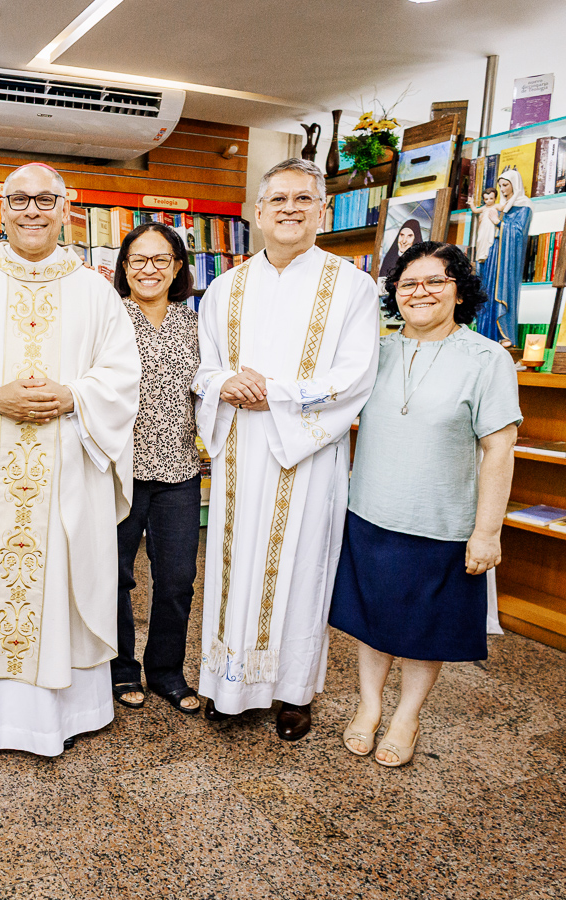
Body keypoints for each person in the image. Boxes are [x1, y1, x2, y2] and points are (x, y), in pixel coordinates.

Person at [0, 162, 141, 756]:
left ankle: (64, 715)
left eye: (46, 200)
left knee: (64, 577)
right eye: (19, 200)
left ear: (65, 209)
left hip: (68, 467)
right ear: (2, 209)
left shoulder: (95, 291)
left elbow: (123, 375)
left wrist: (75, 396)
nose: (32, 211)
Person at [193, 157, 378, 741]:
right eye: (278, 199)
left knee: (300, 568)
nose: (290, 209)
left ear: (323, 210)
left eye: (303, 199)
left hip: (306, 454)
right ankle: (229, 685)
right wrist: (224, 384)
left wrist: (273, 393)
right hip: (239, 451)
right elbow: (203, 367)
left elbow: (355, 376)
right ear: (258, 211)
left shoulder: (352, 286)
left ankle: (294, 692)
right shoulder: (225, 287)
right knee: (234, 563)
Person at [330, 241, 521, 766]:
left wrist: (487, 532)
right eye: (408, 283)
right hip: (370, 513)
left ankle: (406, 717)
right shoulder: (376, 352)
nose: (420, 292)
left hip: (440, 523)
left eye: (436, 281)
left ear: (459, 291)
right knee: (372, 620)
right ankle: (368, 706)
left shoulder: (487, 359)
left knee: (423, 629)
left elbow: (499, 450)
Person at [109, 223, 202, 716]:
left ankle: (166, 670)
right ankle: (120, 668)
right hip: (118, 471)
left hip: (179, 471)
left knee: (177, 579)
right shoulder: (108, 318)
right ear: (124, 267)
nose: (149, 269)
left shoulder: (197, 324)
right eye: (138, 260)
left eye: (160, 259)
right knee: (114, 577)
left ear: (177, 266)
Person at [476, 168, 533, 346]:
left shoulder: (524, 205)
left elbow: (519, 233)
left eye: (506, 185)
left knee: (502, 292)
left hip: (506, 258)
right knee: (486, 292)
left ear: (514, 185)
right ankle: (485, 334)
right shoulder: (500, 206)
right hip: (492, 253)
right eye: (500, 186)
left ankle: (504, 335)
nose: (502, 189)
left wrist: (498, 222)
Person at [378, 218, 422, 286]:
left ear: (415, 239)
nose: (404, 241)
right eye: (402, 235)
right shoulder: (389, 259)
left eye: (409, 236)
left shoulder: (420, 262)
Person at [469, 188, 500, 262]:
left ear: (495, 198)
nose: (489, 201)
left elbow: (504, 207)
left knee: (489, 239)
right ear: (484, 200)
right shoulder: (484, 208)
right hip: (483, 227)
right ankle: (481, 255)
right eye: (486, 199)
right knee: (481, 239)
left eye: (491, 198)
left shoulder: (496, 206)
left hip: (491, 227)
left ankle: (486, 254)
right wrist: (471, 203)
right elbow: (475, 210)